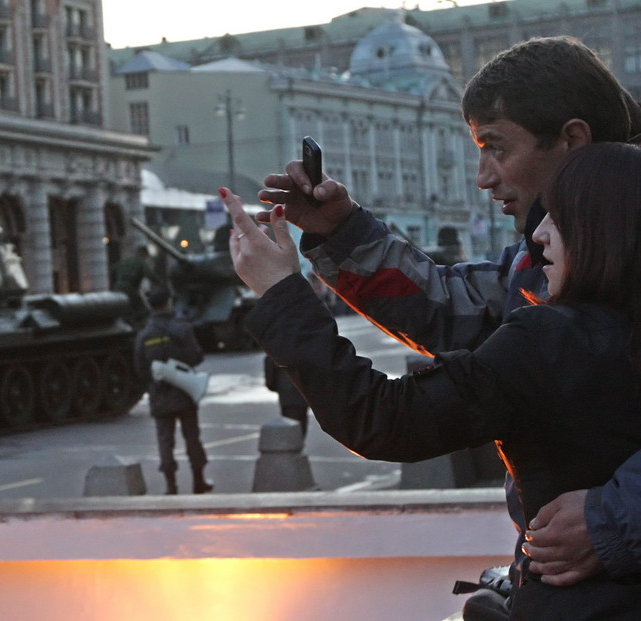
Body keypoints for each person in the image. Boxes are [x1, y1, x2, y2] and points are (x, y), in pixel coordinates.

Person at [256, 35, 641, 595]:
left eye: (496, 148)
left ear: (571, 141)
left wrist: (613, 516)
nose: (482, 177)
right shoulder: (546, 262)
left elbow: (386, 419)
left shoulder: (561, 280)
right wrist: (341, 234)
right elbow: (450, 306)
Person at [134, 285, 213, 495]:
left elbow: (140, 369)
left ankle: (171, 486)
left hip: (159, 395)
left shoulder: (144, 336)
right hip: (185, 393)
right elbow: (195, 357)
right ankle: (199, 481)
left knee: (165, 442)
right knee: (192, 438)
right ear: (168, 302)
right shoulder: (182, 328)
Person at [111, 245, 160, 325]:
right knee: (142, 310)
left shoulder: (126, 260)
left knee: (124, 310)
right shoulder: (140, 262)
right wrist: (160, 282)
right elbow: (150, 275)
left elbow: (112, 269)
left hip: (117, 287)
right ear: (144, 254)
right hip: (129, 288)